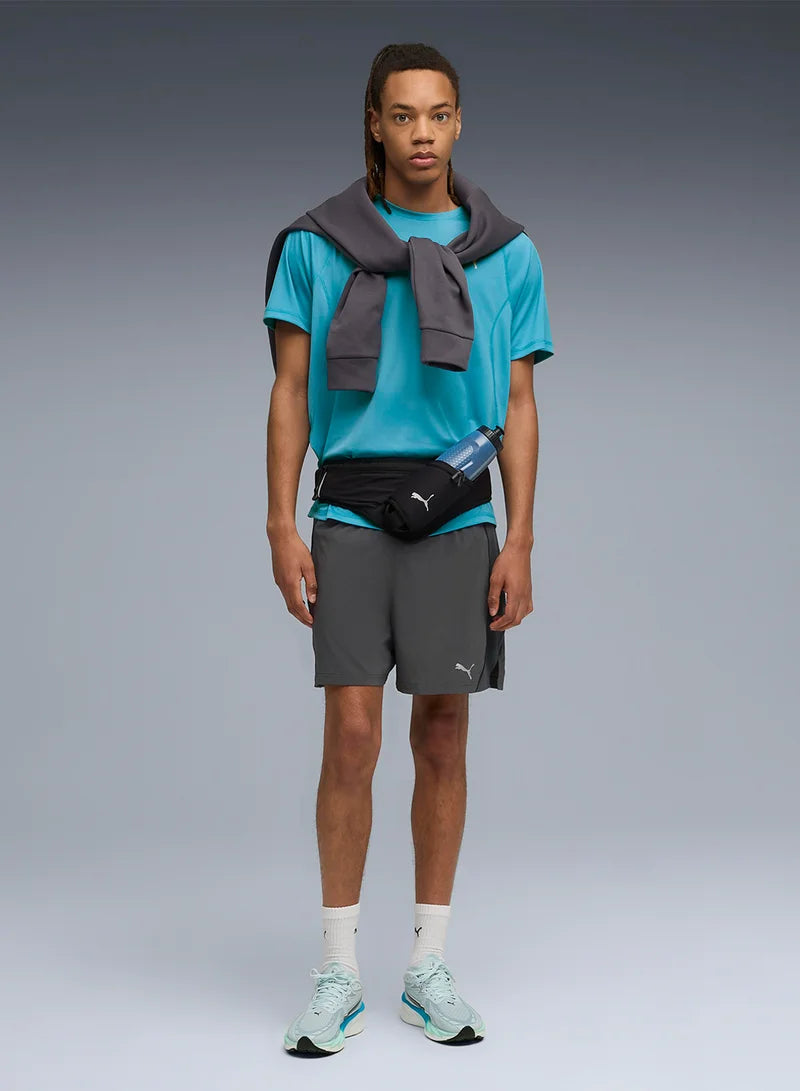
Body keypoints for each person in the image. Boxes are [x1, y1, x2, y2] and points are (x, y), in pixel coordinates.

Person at [264, 42, 554, 1055]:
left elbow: (519, 402)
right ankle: (337, 970)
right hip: (350, 506)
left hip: (458, 510)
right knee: (351, 734)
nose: (421, 133)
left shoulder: (507, 252)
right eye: (402, 115)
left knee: (442, 734)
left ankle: (427, 964)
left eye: (437, 114)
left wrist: (521, 536)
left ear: (458, 121)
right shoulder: (315, 245)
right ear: (374, 125)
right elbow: (289, 391)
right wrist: (279, 522)